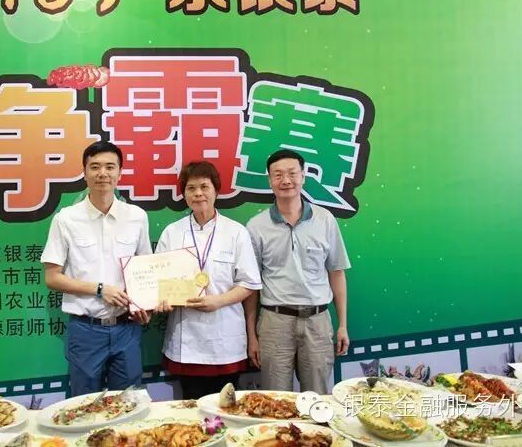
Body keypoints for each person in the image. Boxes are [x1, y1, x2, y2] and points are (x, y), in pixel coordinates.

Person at [42, 141, 152, 396]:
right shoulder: (66, 219)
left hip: (127, 328)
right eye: (95, 167)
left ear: (120, 173)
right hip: (85, 330)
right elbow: (52, 277)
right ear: (84, 172)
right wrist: (100, 289)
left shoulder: (137, 216)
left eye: (110, 167)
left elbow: (145, 270)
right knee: (84, 404)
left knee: (128, 402)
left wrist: (145, 307)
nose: (103, 173)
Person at [244, 149, 351, 394]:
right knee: (276, 399)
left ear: (303, 176)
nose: (286, 180)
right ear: (269, 180)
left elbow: (336, 272)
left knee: (317, 399)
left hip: (317, 321)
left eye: (292, 173)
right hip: (274, 322)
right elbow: (251, 286)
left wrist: (342, 325)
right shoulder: (256, 227)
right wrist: (252, 336)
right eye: (278, 175)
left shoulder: (325, 219)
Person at [155, 161, 262, 399]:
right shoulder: (172, 233)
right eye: (191, 188)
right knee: (191, 409)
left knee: (225, 406)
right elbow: (157, 281)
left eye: (204, 186)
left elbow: (249, 284)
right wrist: (161, 300)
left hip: (225, 339)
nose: (198, 193)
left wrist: (218, 301)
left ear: (216, 191)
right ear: (184, 194)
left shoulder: (236, 232)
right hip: (186, 341)